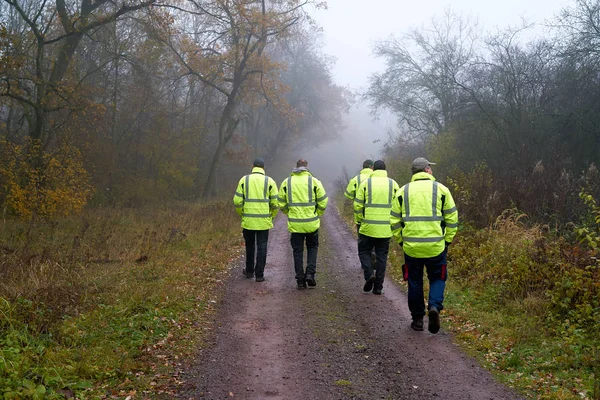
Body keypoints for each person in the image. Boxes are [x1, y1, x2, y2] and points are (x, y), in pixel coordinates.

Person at [390, 157, 458, 333]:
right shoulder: (441, 190)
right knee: (437, 277)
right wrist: (447, 240)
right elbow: (452, 219)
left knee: (414, 281)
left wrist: (401, 240)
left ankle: (418, 319)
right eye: (430, 168)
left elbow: (394, 222)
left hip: (412, 247)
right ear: (427, 170)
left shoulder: (402, 192)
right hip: (436, 246)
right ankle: (434, 306)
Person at [278, 159, 328, 289]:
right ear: (307, 167)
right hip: (311, 223)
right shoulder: (314, 181)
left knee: (297, 251)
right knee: (312, 248)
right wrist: (318, 213)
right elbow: (323, 201)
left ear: (296, 167)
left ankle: (300, 280)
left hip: (295, 225)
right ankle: (310, 274)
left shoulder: (287, 182)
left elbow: (281, 203)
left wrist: (288, 213)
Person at [354, 160, 400, 295]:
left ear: (373, 169)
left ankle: (369, 275)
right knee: (382, 256)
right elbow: (398, 206)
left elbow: (357, 205)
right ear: (385, 169)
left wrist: (359, 221)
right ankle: (378, 287)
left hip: (368, 227)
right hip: (385, 229)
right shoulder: (393, 184)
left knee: (364, 251)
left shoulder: (366, 183)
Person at [233, 157, 279, 282]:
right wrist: (271, 215)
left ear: (252, 166)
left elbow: (237, 201)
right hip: (263, 222)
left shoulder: (244, 180)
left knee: (250, 245)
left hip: (248, 221)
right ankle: (259, 275)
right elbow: (275, 203)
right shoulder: (270, 181)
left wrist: (242, 213)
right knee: (262, 246)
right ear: (263, 168)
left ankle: (249, 271)